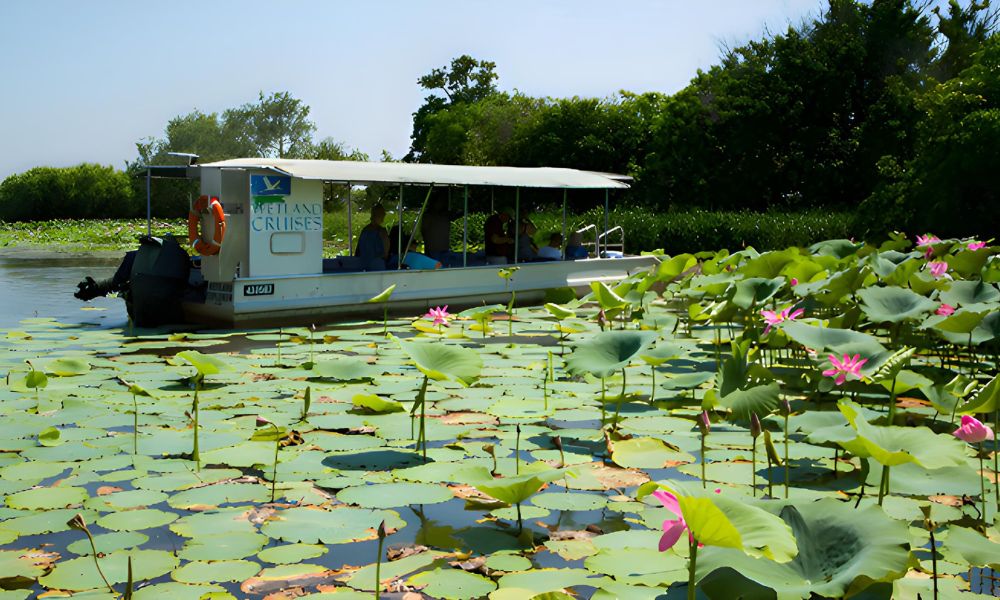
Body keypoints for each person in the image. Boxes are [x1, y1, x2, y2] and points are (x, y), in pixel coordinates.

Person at [355, 204, 390, 271]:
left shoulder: (364, 230)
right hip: (377, 266)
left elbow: (357, 251)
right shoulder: (382, 231)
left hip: (363, 265)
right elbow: (386, 251)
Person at [421, 196, 454, 261]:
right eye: (440, 202)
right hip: (433, 249)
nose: (442, 204)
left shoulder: (445, 215)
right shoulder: (429, 215)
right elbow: (423, 230)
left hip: (443, 248)